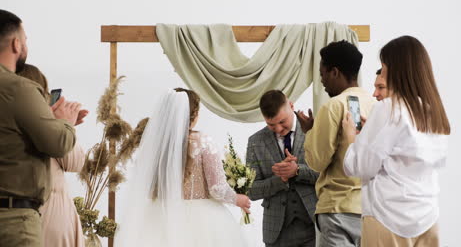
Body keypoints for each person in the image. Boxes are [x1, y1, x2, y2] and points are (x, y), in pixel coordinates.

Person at [342, 35, 450, 247]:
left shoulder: (388, 109)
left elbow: (359, 167)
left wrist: (352, 139)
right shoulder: (433, 112)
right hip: (428, 218)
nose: (381, 72)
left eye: (383, 67)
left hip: (388, 218)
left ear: (398, 69)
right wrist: (370, 134)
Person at [114, 88, 252, 247]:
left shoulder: (156, 145)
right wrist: (237, 199)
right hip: (202, 220)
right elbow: (217, 188)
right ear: (193, 115)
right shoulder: (203, 142)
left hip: (161, 215)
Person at [0, 9, 79, 247]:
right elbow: (57, 143)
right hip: (13, 220)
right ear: (16, 44)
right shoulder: (18, 88)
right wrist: (64, 121)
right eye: (25, 40)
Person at [297, 40, 375, 247]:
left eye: (322, 74)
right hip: (371, 210)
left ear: (335, 72)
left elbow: (316, 162)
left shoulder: (333, 106)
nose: (322, 81)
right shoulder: (378, 105)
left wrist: (310, 132)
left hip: (337, 209)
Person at [17, 64, 87, 247]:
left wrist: (65, 127)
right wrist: (63, 125)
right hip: (49, 219)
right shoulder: (41, 123)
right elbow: (75, 161)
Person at [246, 90, 319, 247]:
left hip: (315, 226)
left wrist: (297, 170)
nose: (278, 129)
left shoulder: (314, 130)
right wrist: (280, 179)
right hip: (277, 233)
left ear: (291, 106)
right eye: (271, 125)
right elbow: (251, 191)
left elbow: (328, 174)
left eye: (282, 122)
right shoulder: (255, 142)